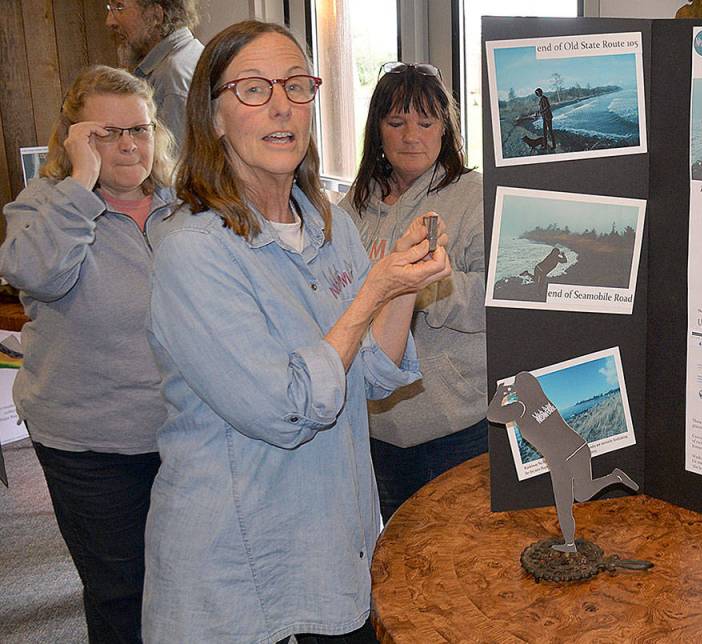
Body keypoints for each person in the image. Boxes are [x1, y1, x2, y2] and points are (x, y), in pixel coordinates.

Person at [142, 21, 450, 643]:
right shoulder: (193, 250)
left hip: (338, 544)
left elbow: (371, 375)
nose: (282, 106)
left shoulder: (329, 224)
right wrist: (370, 294)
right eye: (254, 89)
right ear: (214, 116)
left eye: (296, 86)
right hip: (243, 571)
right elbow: (286, 409)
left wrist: (403, 286)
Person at [0, 65, 176, 644]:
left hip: (183, 433)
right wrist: (81, 183)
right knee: (120, 591)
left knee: (186, 583)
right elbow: (35, 274)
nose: (129, 144)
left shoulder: (184, 207)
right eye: (107, 133)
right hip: (91, 443)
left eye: (140, 129)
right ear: (74, 138)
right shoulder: (47, 204)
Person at [344, 61, 487, 523]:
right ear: (377, 130)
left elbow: (497, 301)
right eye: (397, 122)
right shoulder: (353, 205)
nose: (412, 136)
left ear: (445, 129)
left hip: (454, 425)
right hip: (373, 425)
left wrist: (425, 287)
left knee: (458, 560)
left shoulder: (474, 195)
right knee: (392, 565)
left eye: (426, 122)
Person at [487, 373, 638, 553]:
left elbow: (492, 414)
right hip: (579, 447)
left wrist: (501, 393)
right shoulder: (544, 401)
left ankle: (569, 544)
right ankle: (614, 477)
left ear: (520, 389)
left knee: (564, 505)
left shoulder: (520, 408)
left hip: (561, 460)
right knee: (582, 495)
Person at [106, 0, 204, 148]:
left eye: (119, 7)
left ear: (156, 15)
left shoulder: (172, 76)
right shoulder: (191, 54)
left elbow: (173, 166)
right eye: (110, 8)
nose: (109, 21)